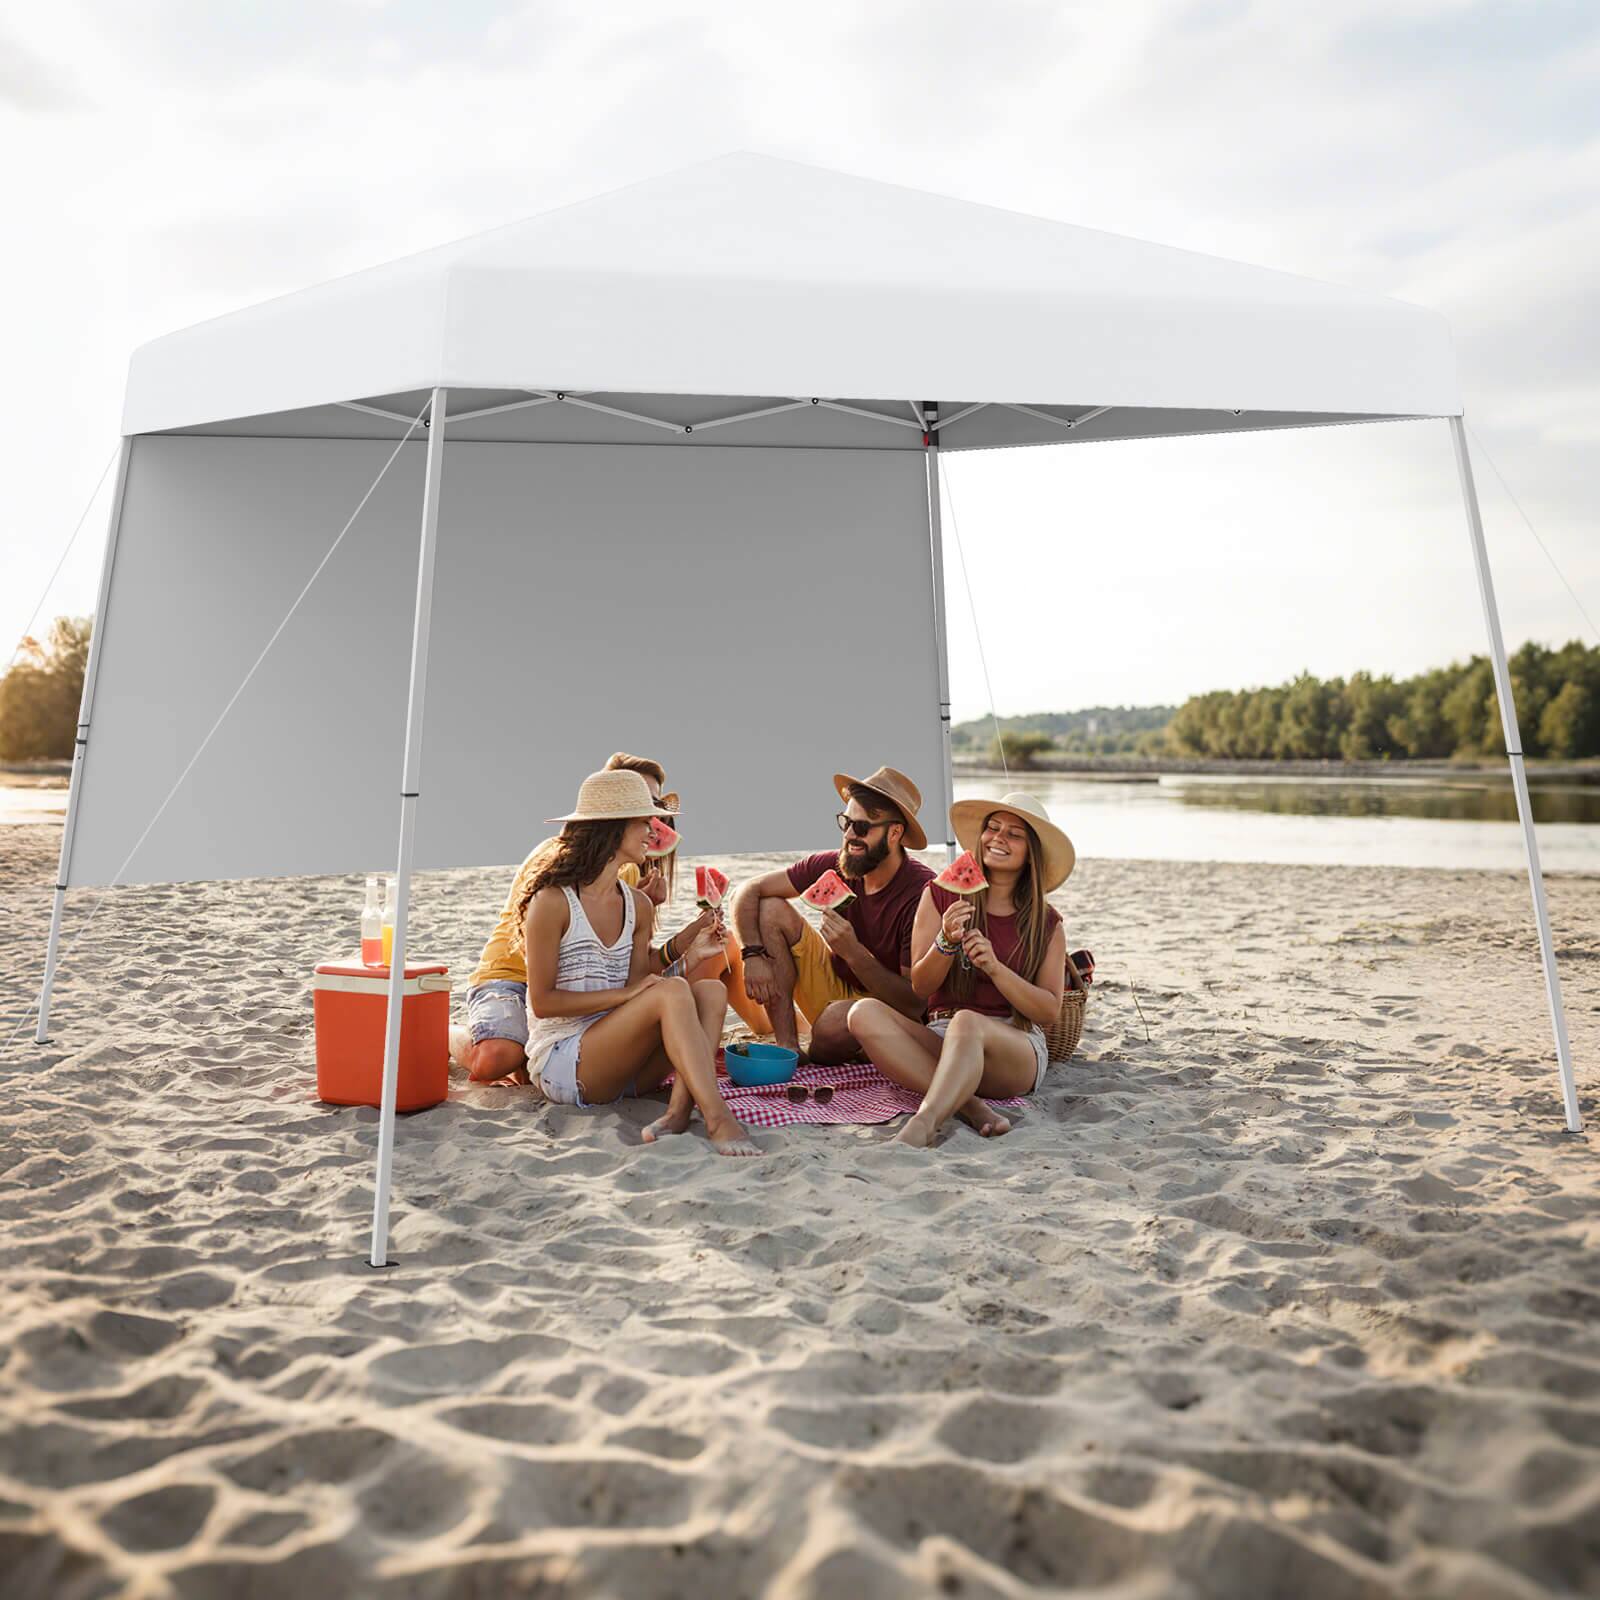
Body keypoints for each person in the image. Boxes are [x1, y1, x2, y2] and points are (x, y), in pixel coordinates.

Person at [455, 752, 759, 1086]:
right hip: (513, 976)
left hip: (580, 993)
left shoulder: (628, 874)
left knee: (712, 970)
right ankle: (450, 1033)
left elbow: (629, 966)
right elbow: (555, 988)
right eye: (642, 805)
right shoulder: (558, 863)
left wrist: (677, 933)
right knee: (497, 1059)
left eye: (655, 805)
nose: (653, 820)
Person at [516, 768, 758, 1156]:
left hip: (625, 1065)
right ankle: (718, 1119)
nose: (653, 829)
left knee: (711, 991)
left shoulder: (638, 905)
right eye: (644, 820)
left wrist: (692, 956)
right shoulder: (553, 902)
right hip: (568, 1064)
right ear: (611, 828)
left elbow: (640, 986)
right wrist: (627, 994)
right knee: (674, 991)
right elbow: (544, 1002)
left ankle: (679, 1111)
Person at [848, 791, 1072, 1148]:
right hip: (941, 1033)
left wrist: (996, 969)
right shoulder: (939, 894)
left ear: (1032, 851)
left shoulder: (1047, 923)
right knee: (863, 1014)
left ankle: (924, 1123)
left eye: (1013, 834)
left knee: (967, 1021)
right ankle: (970, 1106)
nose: (998, 838)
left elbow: (1047, 1009)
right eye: (993, 828)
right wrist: (946, 942)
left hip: (1011, 1046)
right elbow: (921, 987)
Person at [728, 767, 934, 1064]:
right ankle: (788, 1050)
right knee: (770, 908)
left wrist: (855, 955)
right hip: (835, 987)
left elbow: (914, 1005)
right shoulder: (835, 865)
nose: (850, 835)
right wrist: (752, 955)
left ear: (894, 833)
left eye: (862, 828)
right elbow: (747, 890)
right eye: (846, 823)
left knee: (832, 1025)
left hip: (890, 1012)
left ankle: (841, 1051)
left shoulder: (920, 894)